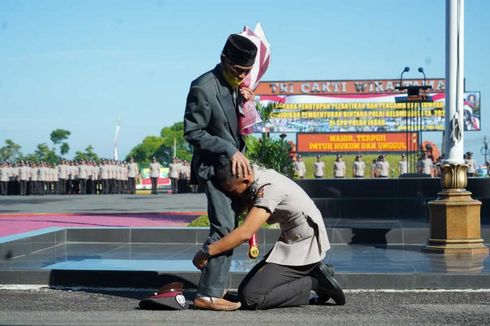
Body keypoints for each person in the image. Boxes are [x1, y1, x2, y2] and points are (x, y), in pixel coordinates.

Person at [192, 160, 345, 310]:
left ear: (245, 180)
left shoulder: (269, 190)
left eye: (232, 190)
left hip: (304, 245)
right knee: (245, 290)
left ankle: (315, 282)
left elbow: (245, 232)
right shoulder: (256, 175)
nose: (232, 195)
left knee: (251, 298)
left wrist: (206, 252)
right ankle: (309, 273)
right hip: (293, 239)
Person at [184, 33, 258, 310]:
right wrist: (229, 150)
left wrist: (246, 103)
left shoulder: (237, 87)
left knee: (230, 226)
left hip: (234, 169)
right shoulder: (203, 87)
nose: (241, 76)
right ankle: (208, 294)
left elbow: (236, 126)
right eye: (237, 70)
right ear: (223, 58)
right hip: (212, 167)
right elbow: (193, 132)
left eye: (247, 72)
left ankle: (215, 287)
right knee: (224, 226)